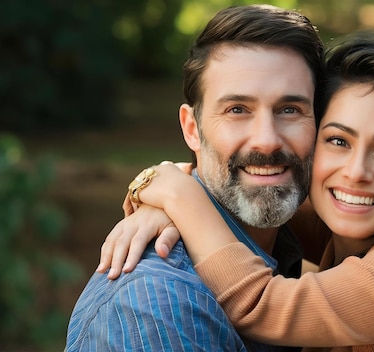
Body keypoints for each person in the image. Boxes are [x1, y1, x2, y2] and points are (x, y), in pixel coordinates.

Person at [101, 32, 374, 351]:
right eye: (339, 141)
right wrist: (161, 197)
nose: (356, 172)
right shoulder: (339, 224)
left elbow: (259, 304)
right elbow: (242, 198)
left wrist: (180, 198)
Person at [65, 4, 324, 351]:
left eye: (289, 110)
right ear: (192, 129)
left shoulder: (299, 244)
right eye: (237, 110)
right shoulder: (155, 304)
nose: (266, 139)